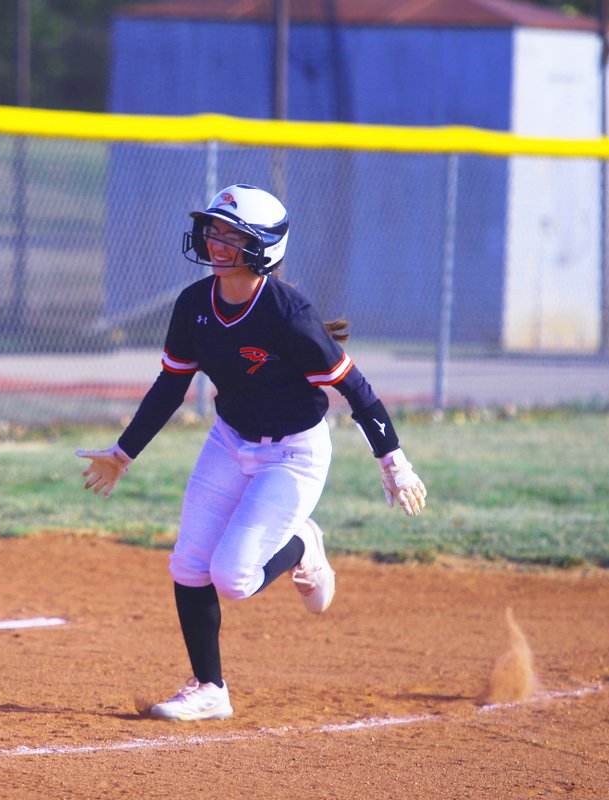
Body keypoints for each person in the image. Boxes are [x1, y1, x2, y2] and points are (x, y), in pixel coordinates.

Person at [77, 184, 428, 722]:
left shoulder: (289, 314)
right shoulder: (195, 303)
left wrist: (394, 463)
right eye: (214, 230)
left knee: (233, 579)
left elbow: (356, 390)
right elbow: (170, 385)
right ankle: (210, 689)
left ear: (264, 248)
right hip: (229, 439)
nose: (217, 242)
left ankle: (303, 545)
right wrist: (123, 454)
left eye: (234, 235)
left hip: (294, 454)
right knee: (189, 563)